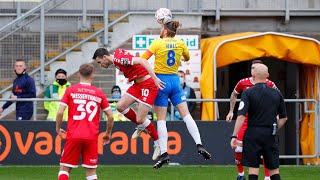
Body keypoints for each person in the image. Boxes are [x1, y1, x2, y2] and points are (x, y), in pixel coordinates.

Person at [141, 20, 211, 168]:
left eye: (161, 28)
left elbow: (143, 59)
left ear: (165, 31)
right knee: (187, 115)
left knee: (161, 120)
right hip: (175, 81)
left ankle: (165, 153)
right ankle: (199, 144)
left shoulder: (157, 43)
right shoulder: (180, 43)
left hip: (161, 82)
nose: (160, 31)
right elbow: (187, 58)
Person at [92, 47, 165, 161]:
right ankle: (140, 126)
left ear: (105, 57)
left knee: (140, 119)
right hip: (137, 85)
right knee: (120, 106)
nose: (100, 65)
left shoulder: (119, 59)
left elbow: (142, 61)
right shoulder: (117, 57)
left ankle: (157, 143)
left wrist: (155, 78)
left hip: (148, 85)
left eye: (99, 62)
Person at [56, 63, 114, 180]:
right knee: (91, 173)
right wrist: (107, 133)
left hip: (73, 135)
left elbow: (60, 112)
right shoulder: (99, 93)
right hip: (91, 137)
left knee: (64, 169)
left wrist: (58, 128)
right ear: (92, 76)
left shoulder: (70, 90)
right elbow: (111, 117)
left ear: (78, 75)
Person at [230, 63, 287, 180]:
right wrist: (274, 130)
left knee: (253, 167)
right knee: (273, 169)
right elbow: (284, 117)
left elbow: (241, 116)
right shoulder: (277, 93)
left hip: (253, 133)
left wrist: (234, 135)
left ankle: (241, 175)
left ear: (254, 75)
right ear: (268, 75)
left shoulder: (248, 92)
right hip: (270, 133)